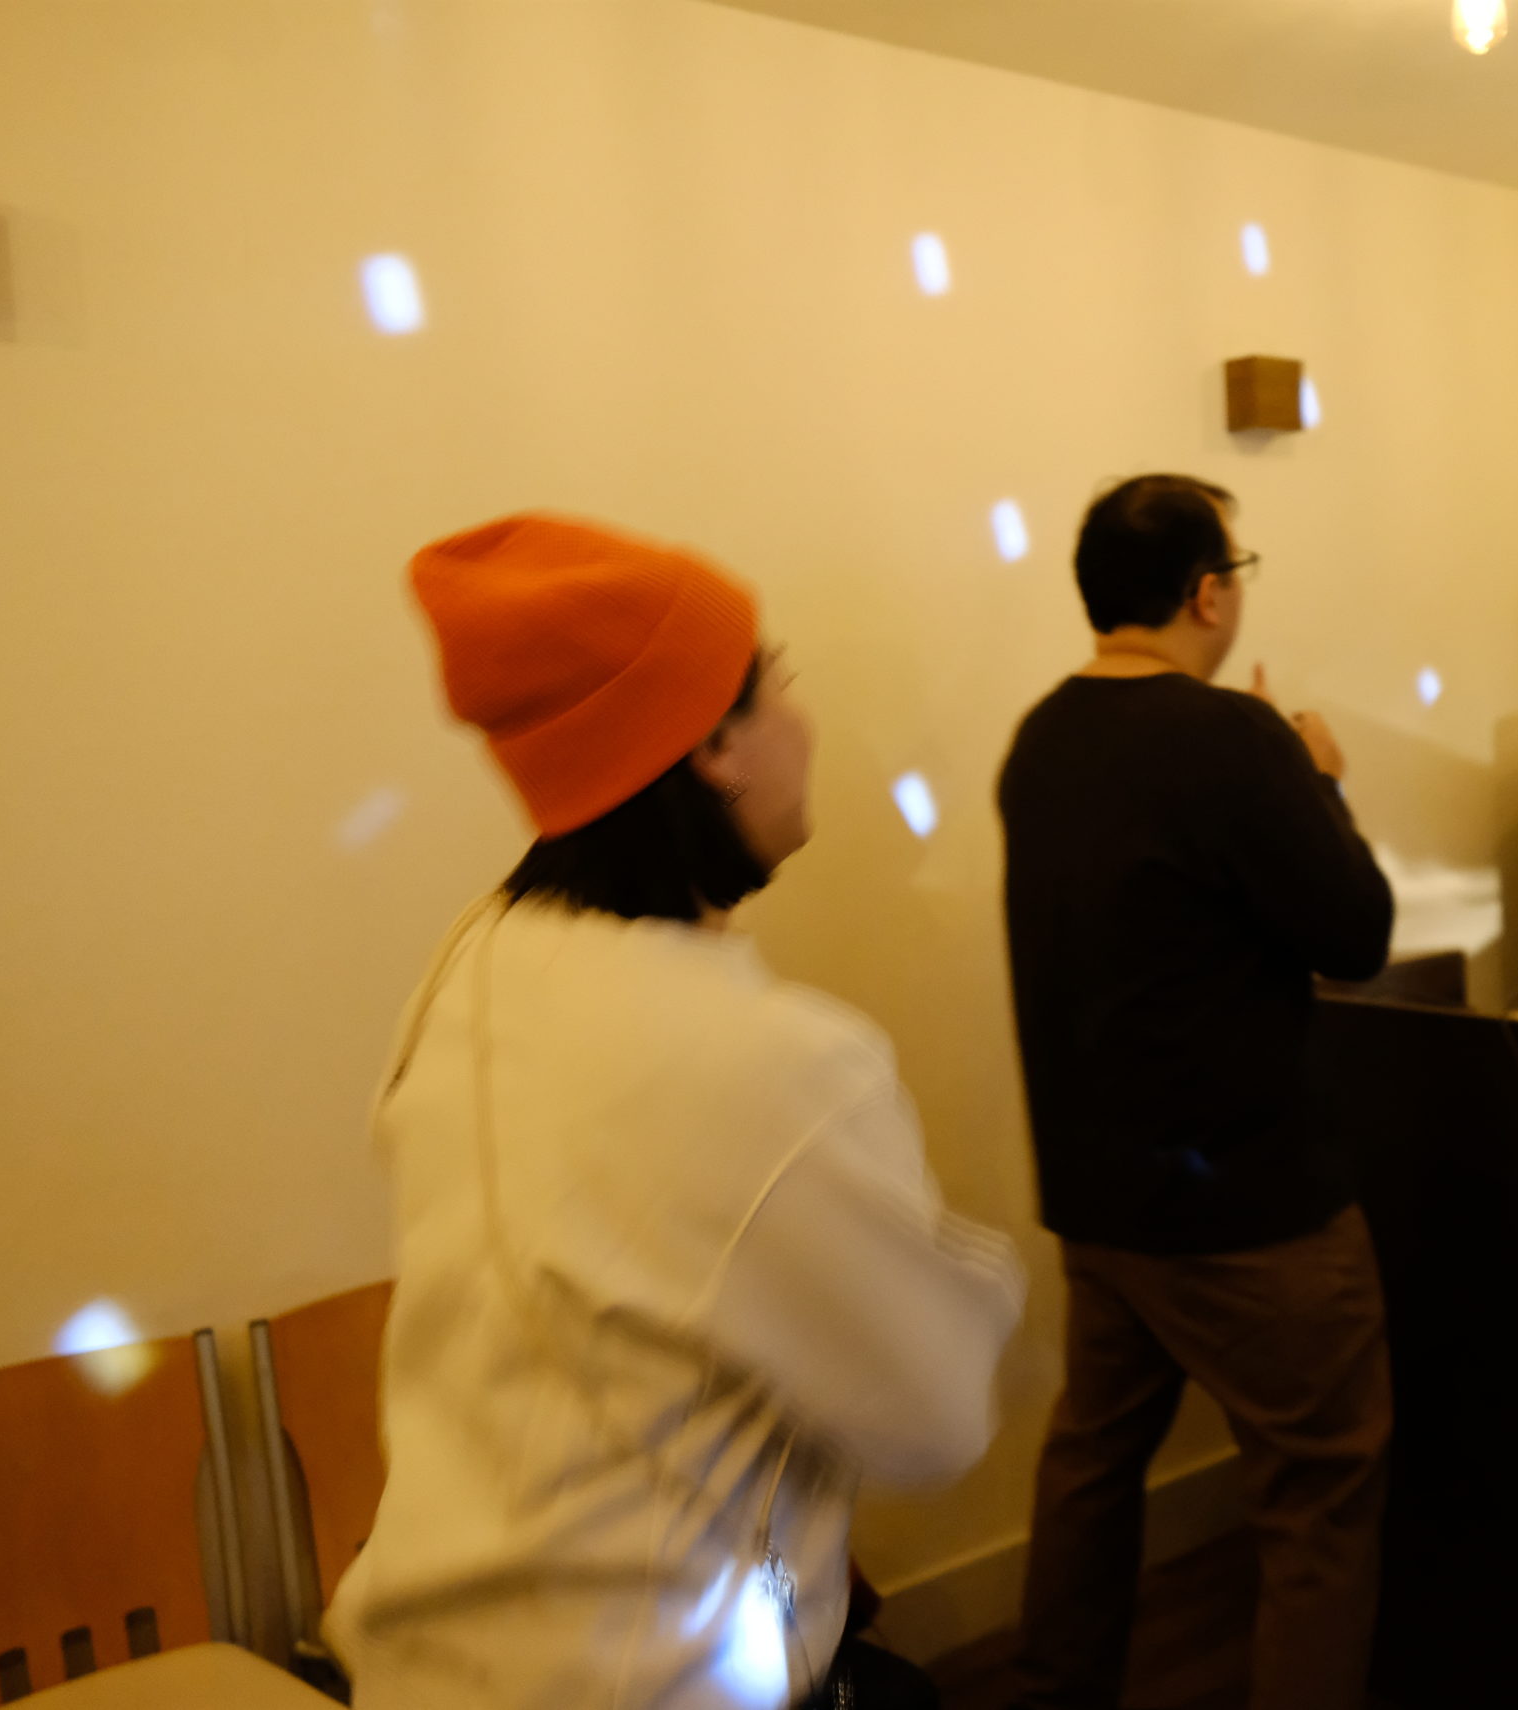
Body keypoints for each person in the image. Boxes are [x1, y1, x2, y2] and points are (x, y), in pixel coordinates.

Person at [328, 514, 1025, 1710]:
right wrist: (974, 1271)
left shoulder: (472, 965)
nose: (807, 717)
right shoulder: (767, 1062)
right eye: (780, 678)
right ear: (712, 745)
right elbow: (939, 1413)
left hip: (425, 1669)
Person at [997, 475, 1395, 1710]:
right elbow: (1357, 933)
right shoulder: (1233, 741)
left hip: (1100, 1200)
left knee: (1091, 1465)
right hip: (1250, 1213)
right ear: (1207, 592)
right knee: (1320, 1488)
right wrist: (1315, 776)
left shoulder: (1042, 739)